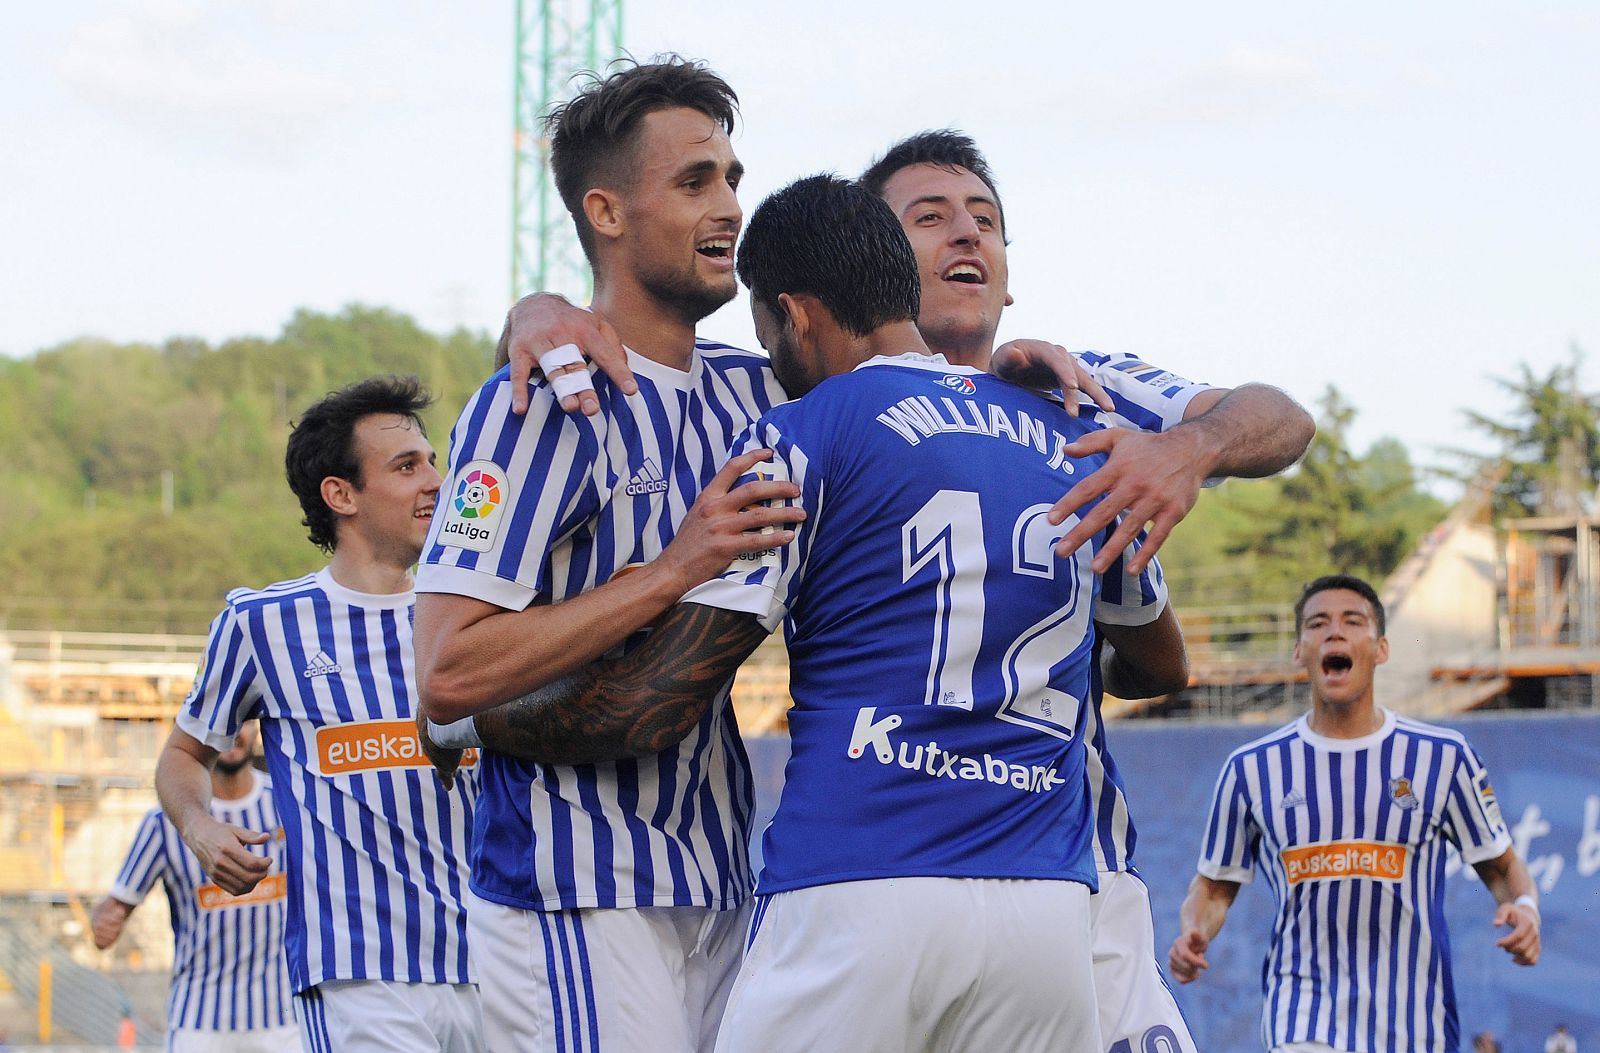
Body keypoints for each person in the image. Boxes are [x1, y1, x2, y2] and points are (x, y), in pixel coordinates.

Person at [412, 59, 802, 1053]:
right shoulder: (534, 402)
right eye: (692, 182)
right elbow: (448, 671)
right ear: (606, 212)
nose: (728, 206)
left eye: (731, 177)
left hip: (718, 878)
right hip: (571, 892)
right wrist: (671, 572)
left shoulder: (758, 395)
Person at [155, 376, 482, 1052]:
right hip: (359, 977)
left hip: (497, 960)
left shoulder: (474, 614)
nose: (435, 480)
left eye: (431, 461)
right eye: (406, 466)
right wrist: (199, 826)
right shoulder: (261, 622)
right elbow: (183, 754)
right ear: (341, 494)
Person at [1170, 574, 1541, 1053]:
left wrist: (1526, 908)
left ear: (1381, 647)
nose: (1334, 633)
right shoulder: (1252, 769)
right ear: (1299, 650)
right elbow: (1214, 887)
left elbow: (1503, 866)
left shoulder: (1443, 757)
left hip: (1414, 1022)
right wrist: (1194, 931)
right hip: (1301, 1009)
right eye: (1318, 623)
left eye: (1352, 621)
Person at [93, 721, 296, 1051]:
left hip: (284, 1023)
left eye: (243, 719)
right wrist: (103, 921)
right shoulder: (163, 822)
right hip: (199, 1026)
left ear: (257, 729)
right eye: (224, 720)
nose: (233, 732)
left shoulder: (288, 802)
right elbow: (114, 908)